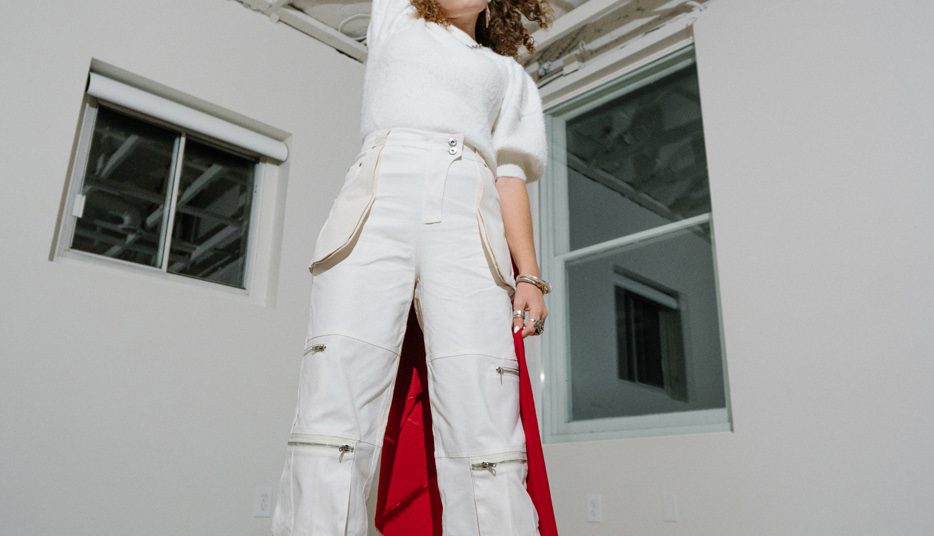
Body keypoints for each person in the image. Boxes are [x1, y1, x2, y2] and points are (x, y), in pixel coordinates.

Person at [271, 0, 555, 534]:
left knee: (483, 411)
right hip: (378, 199)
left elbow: (510, 175)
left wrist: (530, 276)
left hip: (470, 214)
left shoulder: (508, 75)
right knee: (335, 399)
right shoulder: (397, 16)